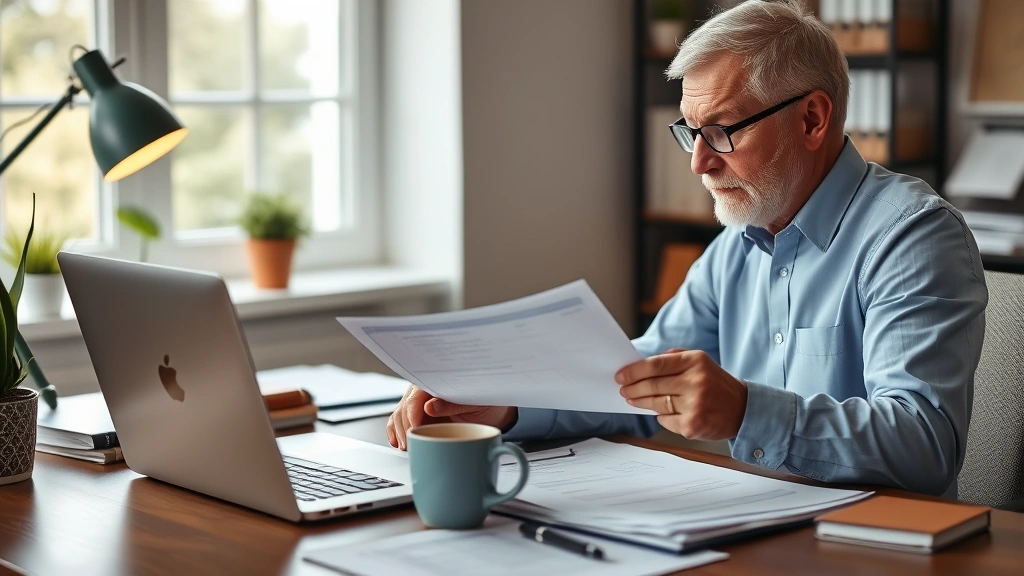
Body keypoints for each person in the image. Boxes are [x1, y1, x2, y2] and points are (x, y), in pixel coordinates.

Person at [385, 0, 987, 498]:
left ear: (811, 118)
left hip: (876, 544)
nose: (699, 161)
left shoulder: (912, 237)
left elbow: (924, 444)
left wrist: (747, 411)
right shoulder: (738, 243)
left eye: (723, 130)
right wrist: (507, 408)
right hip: (759, 525)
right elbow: (636, 382)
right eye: (690, 132)